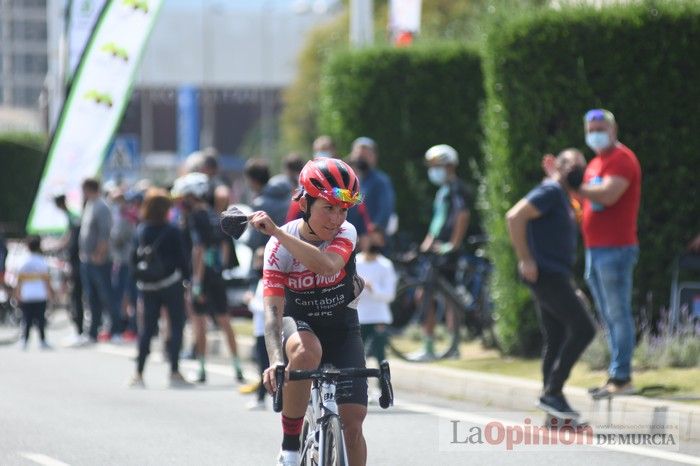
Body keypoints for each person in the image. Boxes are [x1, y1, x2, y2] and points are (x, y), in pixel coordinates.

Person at [251, 158, 367, 466]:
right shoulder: (278, 249)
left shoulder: (346, 233)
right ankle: (290, 447)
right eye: (327, 208)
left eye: (343, 209)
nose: (336, 218)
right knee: (306, 351)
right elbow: (273, 312)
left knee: (354, 424)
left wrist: (275, 231)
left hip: (342, 327)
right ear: (305, 202)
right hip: (298, 322)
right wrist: (276, 360)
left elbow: (327, 264)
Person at [506, 149, 596, 417]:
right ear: (558, 165)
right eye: (569, 161)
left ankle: (551, 407)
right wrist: (525, 259)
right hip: (546, 275)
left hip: (555, 275)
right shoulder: (550, 191)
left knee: (556, 337)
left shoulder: (562, 195)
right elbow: (515, 217)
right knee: (584, 329)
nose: (576, 167)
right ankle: (553, 392)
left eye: (581, 163)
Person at [577, 109, 641, 397]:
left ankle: (622, 377)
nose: (595, 133)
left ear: (614, 130)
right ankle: (615, 374)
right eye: (591, 129)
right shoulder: (594, 164)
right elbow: (584, 200)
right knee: (607, 314)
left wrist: (574, 185)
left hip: (615, 249)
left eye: (600, 127)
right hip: (595, 248)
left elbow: (608, 195)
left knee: (617, 313)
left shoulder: (622, 160)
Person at [171, 172, 245, 384]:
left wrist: (196, 281)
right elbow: (223, 245)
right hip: (216, 275)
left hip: (202, 278)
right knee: (225, 320)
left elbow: (199, 249)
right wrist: (218, 269)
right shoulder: (215, 214)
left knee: (199, 322)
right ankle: (237, 367)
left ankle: (202, 368)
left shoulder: (195, 216)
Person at [414, 144, 473, 360]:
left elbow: (463, 216)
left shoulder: (458, 188)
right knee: (424, 294)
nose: (434, 171)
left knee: (450, 298)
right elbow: (437, 222)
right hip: (437, 251)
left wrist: (453, 245)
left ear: (450, 166)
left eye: (438, 166)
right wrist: (427, 243)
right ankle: (429, 345)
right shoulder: (442, 191)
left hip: (449, 252)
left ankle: (453, 346)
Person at [128, 188, 192, 388]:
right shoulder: (172, 230)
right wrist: (188, 281)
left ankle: (138, 373)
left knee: (146, 329)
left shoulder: (140, 230)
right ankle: (173, 371)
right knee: (176, 325)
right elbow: (182, 259)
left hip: (147, 286)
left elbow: (132, 260)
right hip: (170, 283)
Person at [79, 178, 120, 342]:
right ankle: (92, 332)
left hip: (99, 260)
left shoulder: (102, 207)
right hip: (87, 259)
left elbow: (105, 233)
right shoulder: (90, 205)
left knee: (106, 295)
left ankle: (116, 329)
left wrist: (99, 253)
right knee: (91, 297)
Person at [356, 228, 397, 383]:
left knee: (381, 355)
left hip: (379, 316)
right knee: (359, 355)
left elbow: (390, 295)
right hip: (359, 316)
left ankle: (383, 387)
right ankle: (360, 387)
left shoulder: (385, 265)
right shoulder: (355, 262)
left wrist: (372, 288)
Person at [347, 137, 396, 242]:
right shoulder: (349, 180)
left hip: (371, 242)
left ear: (374, 157)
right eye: (359, 156)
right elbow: (339, 197)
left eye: (365, 156)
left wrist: (376, 229)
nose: (361, 159)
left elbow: (385, 208)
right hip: (350, 238)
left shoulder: (381, 181)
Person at [53, 194, 86, 343]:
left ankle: (80, 328)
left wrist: (60, 245)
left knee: (76, 294)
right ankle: (78, 327)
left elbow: (72, 237)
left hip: (77, 261)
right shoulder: (71, 215)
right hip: (76, 260)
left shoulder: (72, 216)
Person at [14, 236, 54, 350]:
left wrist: (17, 294)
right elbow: (47, 281)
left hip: (26, 295)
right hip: (40, 295)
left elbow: (19, 281)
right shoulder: (42, 261)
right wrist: (50, 294)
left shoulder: (22, 261)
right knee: (41, 319)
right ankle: (43, 341)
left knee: (26, 319)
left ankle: (24, 341)